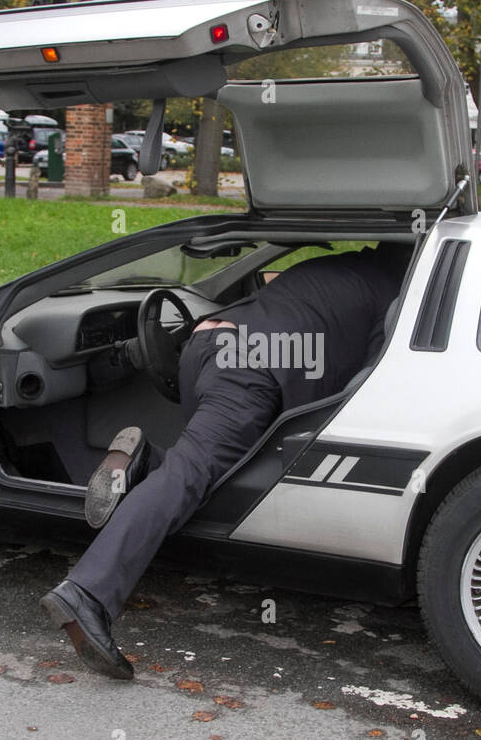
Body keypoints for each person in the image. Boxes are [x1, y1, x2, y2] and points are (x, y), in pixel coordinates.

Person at [40, 242, 412, 678]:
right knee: (192, 475)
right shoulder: (396, 295)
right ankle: (87, 593)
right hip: (252, 368)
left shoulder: (339, 265)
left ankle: (144, 462)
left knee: (214, 474)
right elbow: (373, 379)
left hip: (205, 346)